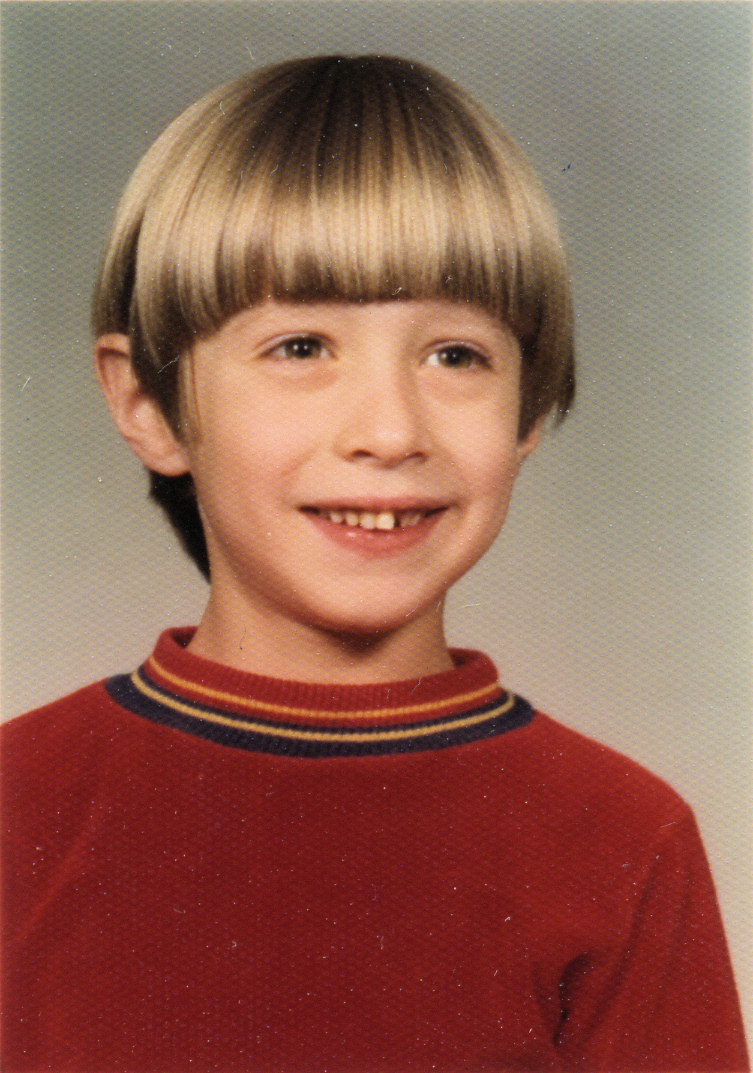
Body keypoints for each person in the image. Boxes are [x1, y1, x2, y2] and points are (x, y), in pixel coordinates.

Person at [1, 55, 747, 1073]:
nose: (391, 430)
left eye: (456, 355)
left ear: (529, 407)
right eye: (302, 346)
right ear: (149, 404)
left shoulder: (622, 837)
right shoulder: (19, 807)